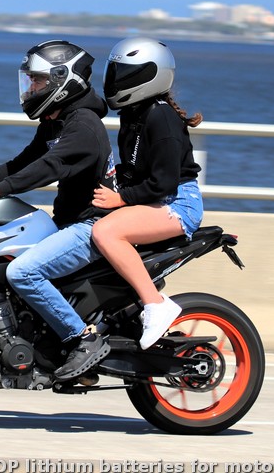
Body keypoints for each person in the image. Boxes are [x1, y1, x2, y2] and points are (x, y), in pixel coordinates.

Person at [0, 39, 115, 381]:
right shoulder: (56, 123)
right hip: (69, 224)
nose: (31, 88)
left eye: (38, 81)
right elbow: (21, 164)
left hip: (91, 227)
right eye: (30, 80)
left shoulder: (84, 125)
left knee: (22, 273)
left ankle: (83, 340)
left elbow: (49, 166)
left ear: (63, 81)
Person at [91, 37, 204, 350]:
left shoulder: (162, 117)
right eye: (114, 72)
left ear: (149, 76)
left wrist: (120, 199)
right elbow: (133, 170)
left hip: (177, 204)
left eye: (124, 74)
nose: (115, 80)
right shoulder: (133, 115)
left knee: (107, 232)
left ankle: (156, 304)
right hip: (152, 199)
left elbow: (165, 182)